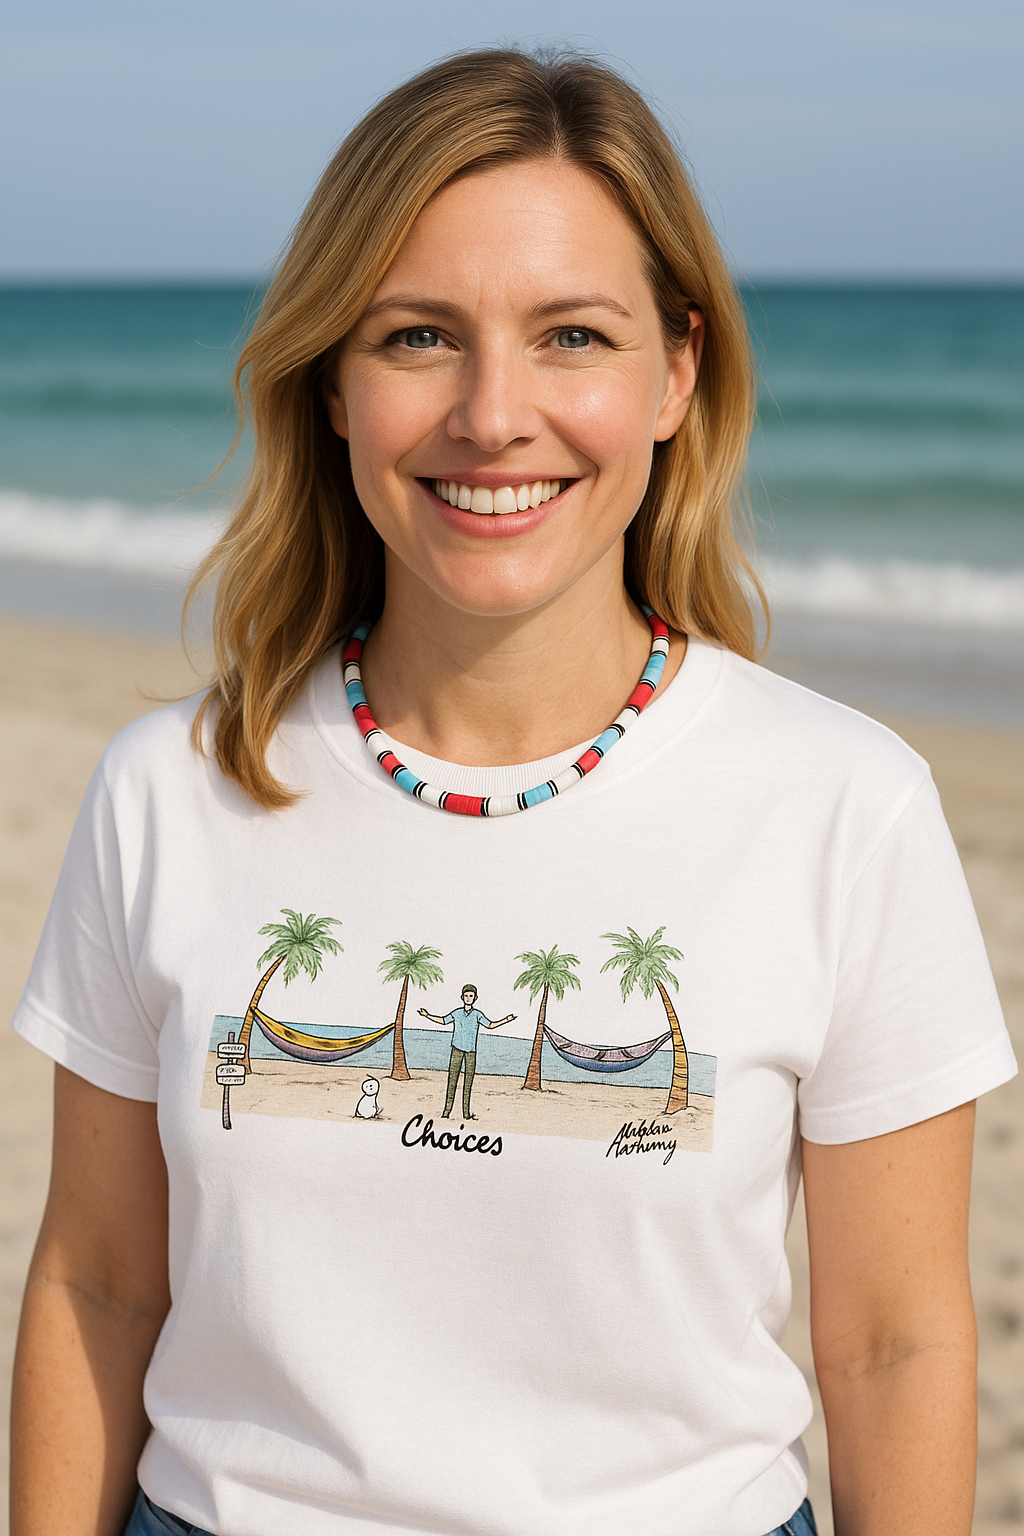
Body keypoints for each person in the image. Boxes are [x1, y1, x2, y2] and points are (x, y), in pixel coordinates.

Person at [9, 46, 1015, 1536]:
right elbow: (95, 1282)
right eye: (418, 336)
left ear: (676, 372)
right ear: (334, 383)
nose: (492, 415)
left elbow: (894, 1347)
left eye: (571, 337)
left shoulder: (845, 806)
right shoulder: (171, 786)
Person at [418, 983, 516, 1119]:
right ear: (462, 997)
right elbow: (443, 1020)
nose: (468, 998)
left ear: (475, 998)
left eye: (471, 996)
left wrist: (506, 1020)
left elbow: (491, 1025)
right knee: (452, 1082)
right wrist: (427, 1015)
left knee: (467, 1084)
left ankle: (466, 1114)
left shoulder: (477, 1014)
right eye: (466, 996)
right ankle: (446, 1113)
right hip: (456, 1050)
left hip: (470, 1052)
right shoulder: (457, 1013)